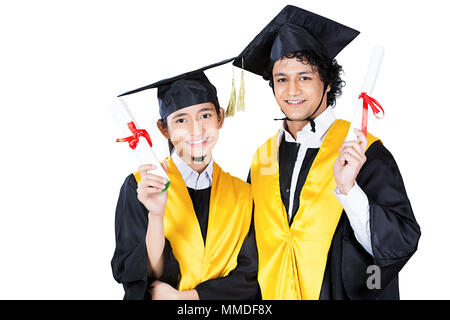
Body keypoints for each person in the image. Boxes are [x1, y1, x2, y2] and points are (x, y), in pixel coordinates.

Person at [233, 5, 421, 299]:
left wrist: (348, 190)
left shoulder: (363, 151)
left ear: (328, 82)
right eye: (282, 79)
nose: (292, 90)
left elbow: (399, 244)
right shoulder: (262, 158)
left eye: (304, 77)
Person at [111, 58, 259, 300]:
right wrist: (156, 216)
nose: (196, 129)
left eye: (205, 115)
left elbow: (250, 276)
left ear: (220, 118)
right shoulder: (141, 185)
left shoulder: (244, 194)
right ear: (163, 128)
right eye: (181, 120)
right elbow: (142, 276)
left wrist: (186, 298)